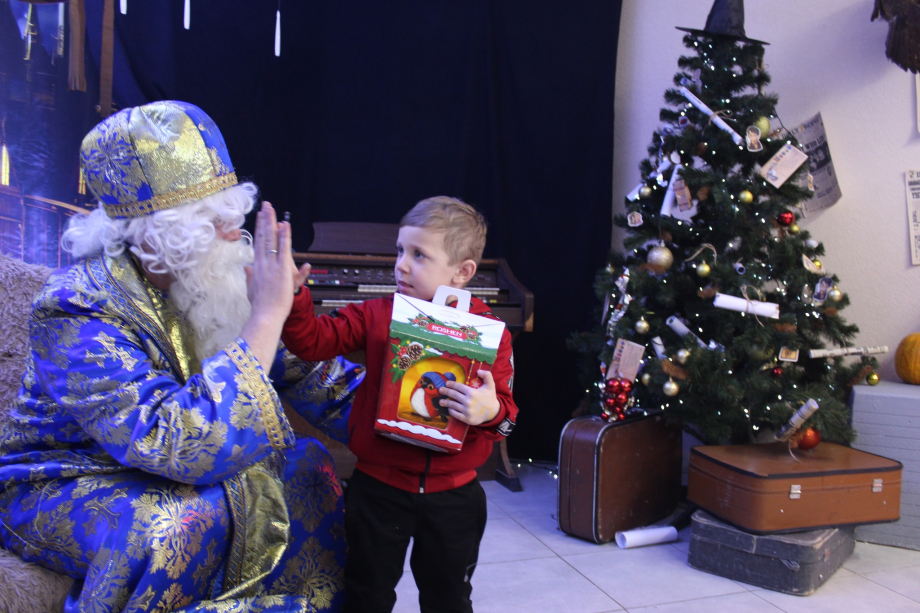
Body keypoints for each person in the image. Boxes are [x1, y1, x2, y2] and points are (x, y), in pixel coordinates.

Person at [0, 101, 364, 613]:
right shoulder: (74, 307)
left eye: (234, 214)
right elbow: (174, 443)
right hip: (63, 478)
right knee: (180, 524)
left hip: (164, 467)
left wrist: (427, 413)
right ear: (162, 234)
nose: (235, 233)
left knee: (306, 470)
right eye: (216, 220)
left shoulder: (212, 277)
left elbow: (317, 379)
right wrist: (266, 317)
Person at [281, 196, 518, 613]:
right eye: (400, 250)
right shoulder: (378, 313)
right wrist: (295, 295)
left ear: (463, 272)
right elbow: (311, 341)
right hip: (378, 489)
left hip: (455, 496)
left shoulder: (490, 334)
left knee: (449, 599)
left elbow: (507, 420)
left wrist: (490, 411)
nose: (401, 266)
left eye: (419, 255)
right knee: (366, 595)